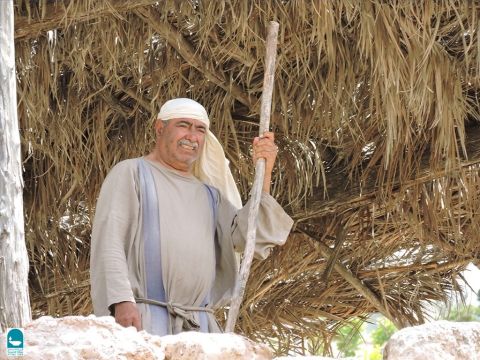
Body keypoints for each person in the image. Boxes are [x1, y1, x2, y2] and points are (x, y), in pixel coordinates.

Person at [90, 98, 293, 335]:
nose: (192, 136)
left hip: (200, 328)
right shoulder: (132, 172)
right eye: (183, 125)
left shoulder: (209, 195)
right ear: (160, 128)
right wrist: (121, 301)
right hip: (144, 320)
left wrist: (265, 170)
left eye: (200, 129)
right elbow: (110, 242)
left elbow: (247, 240)